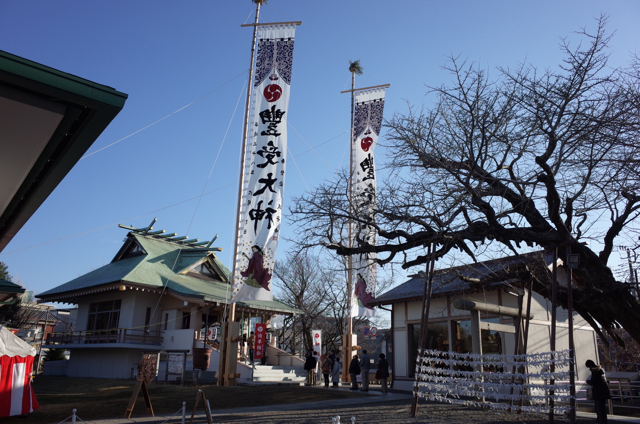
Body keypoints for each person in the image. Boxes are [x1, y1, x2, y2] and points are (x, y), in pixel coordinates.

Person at [586, 359, 611, 424]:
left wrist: (589, 382)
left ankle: (600, 421)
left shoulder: (595, 371)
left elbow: (594, 381)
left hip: (598, 392)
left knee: (599, 408)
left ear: (590, 366)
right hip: (603, 391)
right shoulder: (601, 370)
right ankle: (603, 421)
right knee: (602, 408)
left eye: (589, 367)